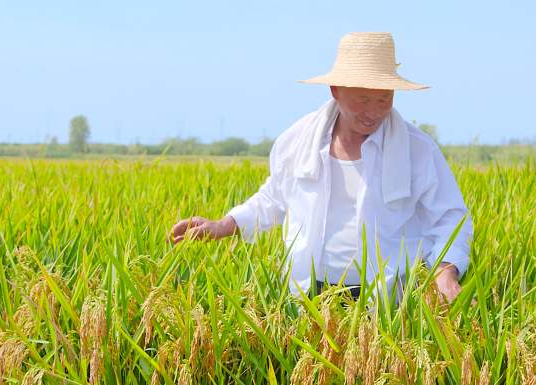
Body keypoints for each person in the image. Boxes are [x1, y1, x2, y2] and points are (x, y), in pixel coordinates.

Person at [169, 32, 472, 304]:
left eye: (384, 99)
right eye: (363, 99)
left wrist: (446, 272)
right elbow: (273, 199)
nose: (373, 112)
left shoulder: (418, 150)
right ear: (335, 90)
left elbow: (450, 218)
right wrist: (222, 225)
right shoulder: (298, 140)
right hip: (310, 297)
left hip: (388, 300)